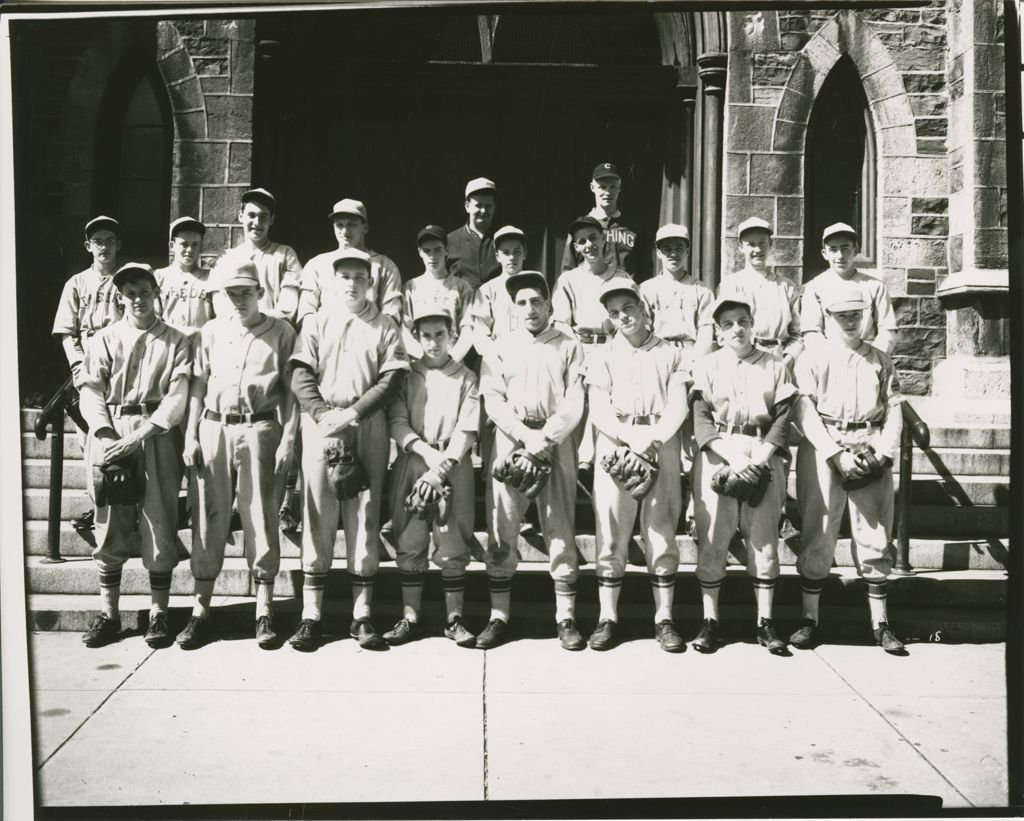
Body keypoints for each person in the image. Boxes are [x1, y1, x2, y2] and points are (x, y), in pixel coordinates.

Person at [287, 247, 409, 652]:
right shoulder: (317, 321)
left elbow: (391, 379)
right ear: (333, 280)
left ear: (370, 281)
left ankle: (362, 615)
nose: (353, 282)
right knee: (318, 511)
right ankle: (311, 617)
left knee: (366, 513)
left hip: (367, 424)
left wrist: (352, 412)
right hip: (321, 424)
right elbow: (301, 375)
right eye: (345, 276)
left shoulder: (385, 325)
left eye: (360, 275)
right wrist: (324, 415)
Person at [176, 261, 298, 650]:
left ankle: (264, 611)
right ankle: (200, 611)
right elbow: (198, 385)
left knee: (260, 515)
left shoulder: (281, 331)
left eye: (246, 292)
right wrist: (191, 435)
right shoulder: (211, 332)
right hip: (214, 428)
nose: (239, 299)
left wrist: (289, 438)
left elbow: (294, 392)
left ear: (260, 292)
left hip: (260, 428)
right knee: (208, 516)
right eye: (232, 293)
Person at [75, 263, 192, 648]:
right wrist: (106, 434)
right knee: (110, 522)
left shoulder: (177, 340)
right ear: (120, 296)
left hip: (156, 433)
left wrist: (143, 434)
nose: (137, 298)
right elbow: (91, 389)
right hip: (111, 432)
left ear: (156, 291)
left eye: (143, 290)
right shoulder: (105, 338)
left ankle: (159, 614)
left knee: (159, 520)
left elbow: (178, 396)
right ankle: (109, 615)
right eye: (129, 292)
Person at [791, 288, 906, 654]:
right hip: (825, 443)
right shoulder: (812, 357)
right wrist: (833, 453)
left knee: (874, 534)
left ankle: (881, 622)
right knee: (819, 532)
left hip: (869, 439)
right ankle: (809, 619)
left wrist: (885, 453)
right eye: (842, 314)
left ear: (867, 315)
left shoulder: (880, 359)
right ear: (828, 316)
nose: (851, 320)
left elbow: (895, 409)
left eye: (857, 313)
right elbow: (803, 411)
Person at [479, 271, 586, 650]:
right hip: (512, 438)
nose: (530, 308)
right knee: (502, 526)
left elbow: (575, 400)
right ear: (513, 307)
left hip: (555, 442)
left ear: (549, 303)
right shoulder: (500, 346)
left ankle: (566, 617)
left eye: (536, 300)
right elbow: (492, 399)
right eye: (522, 302)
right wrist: (526, 437)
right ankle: (498, 616)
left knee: (560, 526)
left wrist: (546, 438)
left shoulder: (569, 343)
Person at [689, 296, 798, 655]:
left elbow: (783, 418)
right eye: (728, 324)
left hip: (761, 450)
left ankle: (764, 623)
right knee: (713, 537)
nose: (737, 329)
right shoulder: (706, 366)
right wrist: (734, 458)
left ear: (753, 324)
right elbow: (702, 419)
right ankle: (710, 620)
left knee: (764, 539)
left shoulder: (775, 365)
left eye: (743, 321)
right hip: (720, 451)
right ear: (718, 332)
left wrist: (762, 458)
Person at [586, 280, 690, 652]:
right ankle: (607, 617)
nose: (622, 317)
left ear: (643, 307)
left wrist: (654, 441)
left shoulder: (671, 352)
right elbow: (598, 408)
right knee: (610, 532)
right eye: (614, 312)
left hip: (659, 439)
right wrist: (628, 439)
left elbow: (679, 405)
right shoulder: (601, 354)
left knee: (660, 530)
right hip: (616, 443)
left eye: (628, 307)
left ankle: (664, 618)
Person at [383, 307, 479, 647]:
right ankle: (410, 616)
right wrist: (428, 455)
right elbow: (397, 421)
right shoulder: (407, 375)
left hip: (454, 462)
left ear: (452, 335)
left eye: (440, 334)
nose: (434, 342)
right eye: (426, 335)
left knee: (452, 536)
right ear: (416, 337)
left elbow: (468, 427)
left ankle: (454, 618)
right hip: (415, 458)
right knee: (410, 536)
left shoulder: (465, 375)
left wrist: (443, 463)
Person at [52, 216, 126, 534]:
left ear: (118, 244)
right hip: (89, 366)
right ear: (88, 246)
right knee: (89, 441)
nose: (104, 246)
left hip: (121, 367)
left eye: (110, 240)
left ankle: (126, 508)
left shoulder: (127, 278)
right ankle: (97, 505)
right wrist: (76, 365)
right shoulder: (76, 282)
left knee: (121, 436)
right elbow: (68, 333)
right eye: (98, 241)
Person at [551, 215, 632, 470]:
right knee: (576, 400)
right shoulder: (568, 280)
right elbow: (561, 322)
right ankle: (576, 461)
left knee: (608, 400)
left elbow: (634, 318)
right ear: (575, 247)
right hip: (579, 346)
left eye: (593, 238)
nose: (589, 246)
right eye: (582, 241)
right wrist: (576, 351)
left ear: (604, 238)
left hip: (612, 345)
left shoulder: (622, 278)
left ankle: (600, 458)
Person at [296, 198, 403, 326]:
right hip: (327, 338)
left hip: (369, 338)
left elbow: (391, 314)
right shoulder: (317, 264)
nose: (345, 231)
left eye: (352, 224)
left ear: (365, 227)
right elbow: (307, 311)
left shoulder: (385, 265)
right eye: (339, 225)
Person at [800, 222, 897, 354]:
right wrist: (827, 360)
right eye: (833, 249)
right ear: (824, 253)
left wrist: (874, 358)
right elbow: (811, 332)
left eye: (845, 248)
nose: (840, 255)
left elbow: (887, 330)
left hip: (868, 356)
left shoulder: (875, 286)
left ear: (856, 250)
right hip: (830, 356)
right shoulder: (815, 287)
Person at [717, 217, 802, 366]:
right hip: (744, 358)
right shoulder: (731, 285)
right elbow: (722, 332)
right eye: (751, 244)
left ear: (770, 244)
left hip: (781, 357)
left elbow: (797, 332)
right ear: (741, 247)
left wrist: (788, 359)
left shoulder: (786, 286)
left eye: (762, 243)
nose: (757, 250)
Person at [212, 188, 301, 324]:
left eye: (263, 216)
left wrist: (258, 323)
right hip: (236, 333)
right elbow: (221, 306)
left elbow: (288, 309)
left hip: (274, 333)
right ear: (241, 216)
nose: (257, 223)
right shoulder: (226, 258)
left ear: (272, 219)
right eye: (251, 215)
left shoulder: (285, 254)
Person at [400, 225, 475, 362]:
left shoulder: (462, 287)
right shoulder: (410, 288)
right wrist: (423, 358)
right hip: (418, 364)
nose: (432, 256)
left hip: (454, 363)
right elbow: (404, 330)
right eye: (427, 251)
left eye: (438, 250)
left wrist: (452, 359)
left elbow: (468, 330)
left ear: (447, 250)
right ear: (419, 252)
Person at [639, 223, 715, 356]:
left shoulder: (702, 291)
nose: (673, 253)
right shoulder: (646, 289)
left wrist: (693, 362)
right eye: (667, 249)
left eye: (679, 248)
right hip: (656, 353)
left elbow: (706, 335)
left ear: (687, 251)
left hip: (690, 353)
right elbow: (642, 331)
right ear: (658, 252)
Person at [560, 162, 642, 278]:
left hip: (624, 292)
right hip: (590, 293)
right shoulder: (580, 227)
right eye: (602, 187)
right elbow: (567, 271)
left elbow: (644, 271)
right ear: (592, 187)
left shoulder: (633, 227)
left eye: (613, 187)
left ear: (620, 187)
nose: (607, 192)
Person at [155, 216, 214, 339]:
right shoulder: (159, 276)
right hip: (168, 344)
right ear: (172, 245)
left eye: (195, 244)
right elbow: (153, 316)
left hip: (201, 346)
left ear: (201, 247)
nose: (190, 250)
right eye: (184, 244)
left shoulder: (211, 277)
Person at [446, 177, 500, 289]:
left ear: (494, 208)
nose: (483, 211)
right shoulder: (450, 241)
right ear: (467, 206)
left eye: (488, 206)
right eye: (478, 205)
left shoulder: (503, 238)